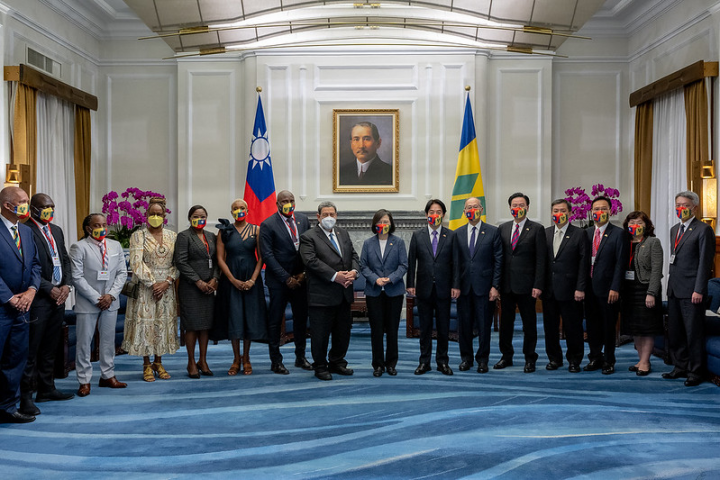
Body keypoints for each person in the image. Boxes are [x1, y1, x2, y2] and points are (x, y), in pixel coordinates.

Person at [19, 193, 74, 417]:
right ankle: (26, 396)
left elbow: (65, 259)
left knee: (51, 346)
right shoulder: (25, 230)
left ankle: (47, 388)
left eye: (52, 206)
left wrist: (67, 285)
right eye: (45, 207)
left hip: (59, 297)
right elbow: (27, 266)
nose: (49, 210)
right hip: (39, 298)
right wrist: (47, 288)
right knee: (33, 348)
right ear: (33, 209)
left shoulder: (56, 230)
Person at [299, 201, 359, 380]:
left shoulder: (343, 233)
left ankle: (337, 362)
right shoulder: (308, 237)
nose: (329, 218)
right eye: (325, 215)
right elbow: (310, 261)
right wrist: (335, 276)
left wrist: (354, 272)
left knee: (343, 333)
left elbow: (353, 255)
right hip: (321, 295)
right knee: (320, 334)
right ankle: (320, 366)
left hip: (344, 293)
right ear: (318, 217)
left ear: (337, 216)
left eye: (332, 214)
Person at [122, 198, 179, 382]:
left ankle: (159, 362)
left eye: (159, 214)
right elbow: (136, 262)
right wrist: (154, 283)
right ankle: (146, 364)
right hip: (146, 288)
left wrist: (167, 282)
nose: (156, 217)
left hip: (167, 288)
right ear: (146, 216)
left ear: (164, 216)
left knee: (161, 324)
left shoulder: (173, 236)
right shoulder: (138, 236)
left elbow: (178, 263)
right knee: (146, 324)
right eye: (152, 214)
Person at [70, 213, 127, 397]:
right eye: (97, 224)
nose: (102, 227)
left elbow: (122, 273)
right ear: (88, 228)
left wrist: (110, 295)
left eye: (104, 224)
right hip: (88, 303)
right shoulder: (79, 247)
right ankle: (84, 380)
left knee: (108, 341)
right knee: (84, 343)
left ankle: (107, 375)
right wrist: (97, 298)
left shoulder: (115, 245)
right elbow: (77, 277)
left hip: (111, 301)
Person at [664, 191, 715, 386]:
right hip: (675, 289)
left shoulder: (703, 230)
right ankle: (680, 366)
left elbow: (705, 262)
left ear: (694, 207)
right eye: (677, 204)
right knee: (675, 332)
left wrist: (699, 289)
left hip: (692, 290)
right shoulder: (674, 229)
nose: (680, 208)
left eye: (684, 205)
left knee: (693, 333)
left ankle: (695, 371)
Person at [0, 187, 41, 423]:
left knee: (15, 360)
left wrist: (31, 291)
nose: (27, 205)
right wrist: (10, 297)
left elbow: (35, 264)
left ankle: (7, 407)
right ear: (7, 205)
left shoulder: (25, 231)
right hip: (4, 306)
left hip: (24, 307)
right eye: (23, 201)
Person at [259, 190, 311, 375]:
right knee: (274, 321)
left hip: (301, 279)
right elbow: (267, 255)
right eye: (285, 201)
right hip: (279, 281)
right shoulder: (268, 224)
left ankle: (300, 357)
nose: (289, 203)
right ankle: (276, 361)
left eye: (291, 200)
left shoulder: (303, 220)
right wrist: (286, 278)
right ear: (277, 204)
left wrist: (303, 274)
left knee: (301, 320)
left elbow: (309, 248)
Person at [215, 199, 267, 376]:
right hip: (231, 280)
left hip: (251, 280)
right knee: (234, 318)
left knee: (248, 319)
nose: (239, 210)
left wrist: (252, 279)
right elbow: (220, 259)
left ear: (247, 210)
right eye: (235, 209)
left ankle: (247, 358)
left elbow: (261, 257)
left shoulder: (256, 230)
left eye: (242, 208)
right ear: (231, 212)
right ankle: (236, 359)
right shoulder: (224, 231)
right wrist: (232, 280)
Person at [495, 193, 546, 373]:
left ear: (527, 208)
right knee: (506, 324)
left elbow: (541, 260)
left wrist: (538, 284)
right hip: (506, 285)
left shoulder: (537, 229)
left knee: (529, 324)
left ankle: (530, 357)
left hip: (527, 286)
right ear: (509, 208)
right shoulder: (502, 228)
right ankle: (506, 356)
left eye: (521, 204)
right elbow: (499, 258)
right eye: (514, 204)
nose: (517, 207)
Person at [452, 197, 502, 374]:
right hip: (463, 288)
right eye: (468, 207)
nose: (472, 210)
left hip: (485, 288)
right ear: (464, 211)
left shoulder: (493, 232)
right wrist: (455, 285)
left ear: (481, 209)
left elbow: (498, 261)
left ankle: (482, 360)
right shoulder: (456, 233)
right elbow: (455, 263)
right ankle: (466, 359)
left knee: (484, 326)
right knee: (464, 326)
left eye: (475, 207)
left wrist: (495, 286)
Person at [407, 199, 456, 376]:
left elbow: (456, 263)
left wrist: (455, 285)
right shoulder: (417, 235)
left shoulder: (451, 235)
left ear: (443, 214)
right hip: (423, 288)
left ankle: (442, 361)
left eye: (438, 211)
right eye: (431, 211)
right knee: (425, 327)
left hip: (444, 288)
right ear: (427, 214)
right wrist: (410, 285)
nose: (434, 214)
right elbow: (412, 261)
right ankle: (424, 361)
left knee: (443, 327)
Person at [542, 199, 589, 373]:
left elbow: (584, 263)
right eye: (555, 210)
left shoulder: (579, 233)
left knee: (573, 327)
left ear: (570, 213)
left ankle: (574, 360)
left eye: (562, 210)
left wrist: (580, 287)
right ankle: (554, 359)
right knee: (550, 327)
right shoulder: (545, 233)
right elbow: (541, 262)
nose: (558, 214)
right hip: (549, 290)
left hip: (571, 290)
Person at [174, 205, 220, 378]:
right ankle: (191, 362)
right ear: (189, 218)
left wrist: (215, 279)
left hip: (209, 287)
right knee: (192, 325)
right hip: (191, 288)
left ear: (206, 217)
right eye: (195, 216)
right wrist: (198, 281)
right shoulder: (184, 236)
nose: (199, 219)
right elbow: (181, 262)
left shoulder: (211, 236)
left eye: (202, 216)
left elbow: (217, 260)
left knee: (205, 325)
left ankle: (203, 360)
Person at [360, 209, 408, 377]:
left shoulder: (399, 242)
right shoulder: (368, 243)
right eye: (380, 221)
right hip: (374, 292)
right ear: (375, 224)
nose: (383, 224)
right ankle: (378, 365)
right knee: (377, 330)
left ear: (391, 224)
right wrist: (375, 279)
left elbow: (403, 265)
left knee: (393, 330)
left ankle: (391, 364)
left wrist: (390, 278)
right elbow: (363, 266)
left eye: (386, 221)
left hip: (393, 292)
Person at [584, 195, 628, 375]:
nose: (599, 212)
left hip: (609, 289)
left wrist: (615, 287)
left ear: (610, 211)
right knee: (592, 325)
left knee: (608, 327)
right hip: (589, 288)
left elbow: (621, 263)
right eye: (596, 209)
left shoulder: (619, 234)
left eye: (603, 208)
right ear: (591, 212)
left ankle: (609, 360)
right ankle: (595, 357)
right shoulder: (585, 233)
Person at [620, 211, 663, 376]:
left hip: (646, 290)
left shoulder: (653, 242)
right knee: (635, 328)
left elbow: (656, 271)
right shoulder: (625, 242)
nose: (634, 225)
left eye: (639, 222)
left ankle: (646, 361)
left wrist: (651, 292)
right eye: (631, 222)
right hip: (628, 291)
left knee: (647, 328)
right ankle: (640, 359)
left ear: (646, 225)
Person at [338, 122, 393, 186]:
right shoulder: (341, 172)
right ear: (351, 144)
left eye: (367, 139)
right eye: (356, 139)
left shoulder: (390, 172)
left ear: (378, 143)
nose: (361, 146)